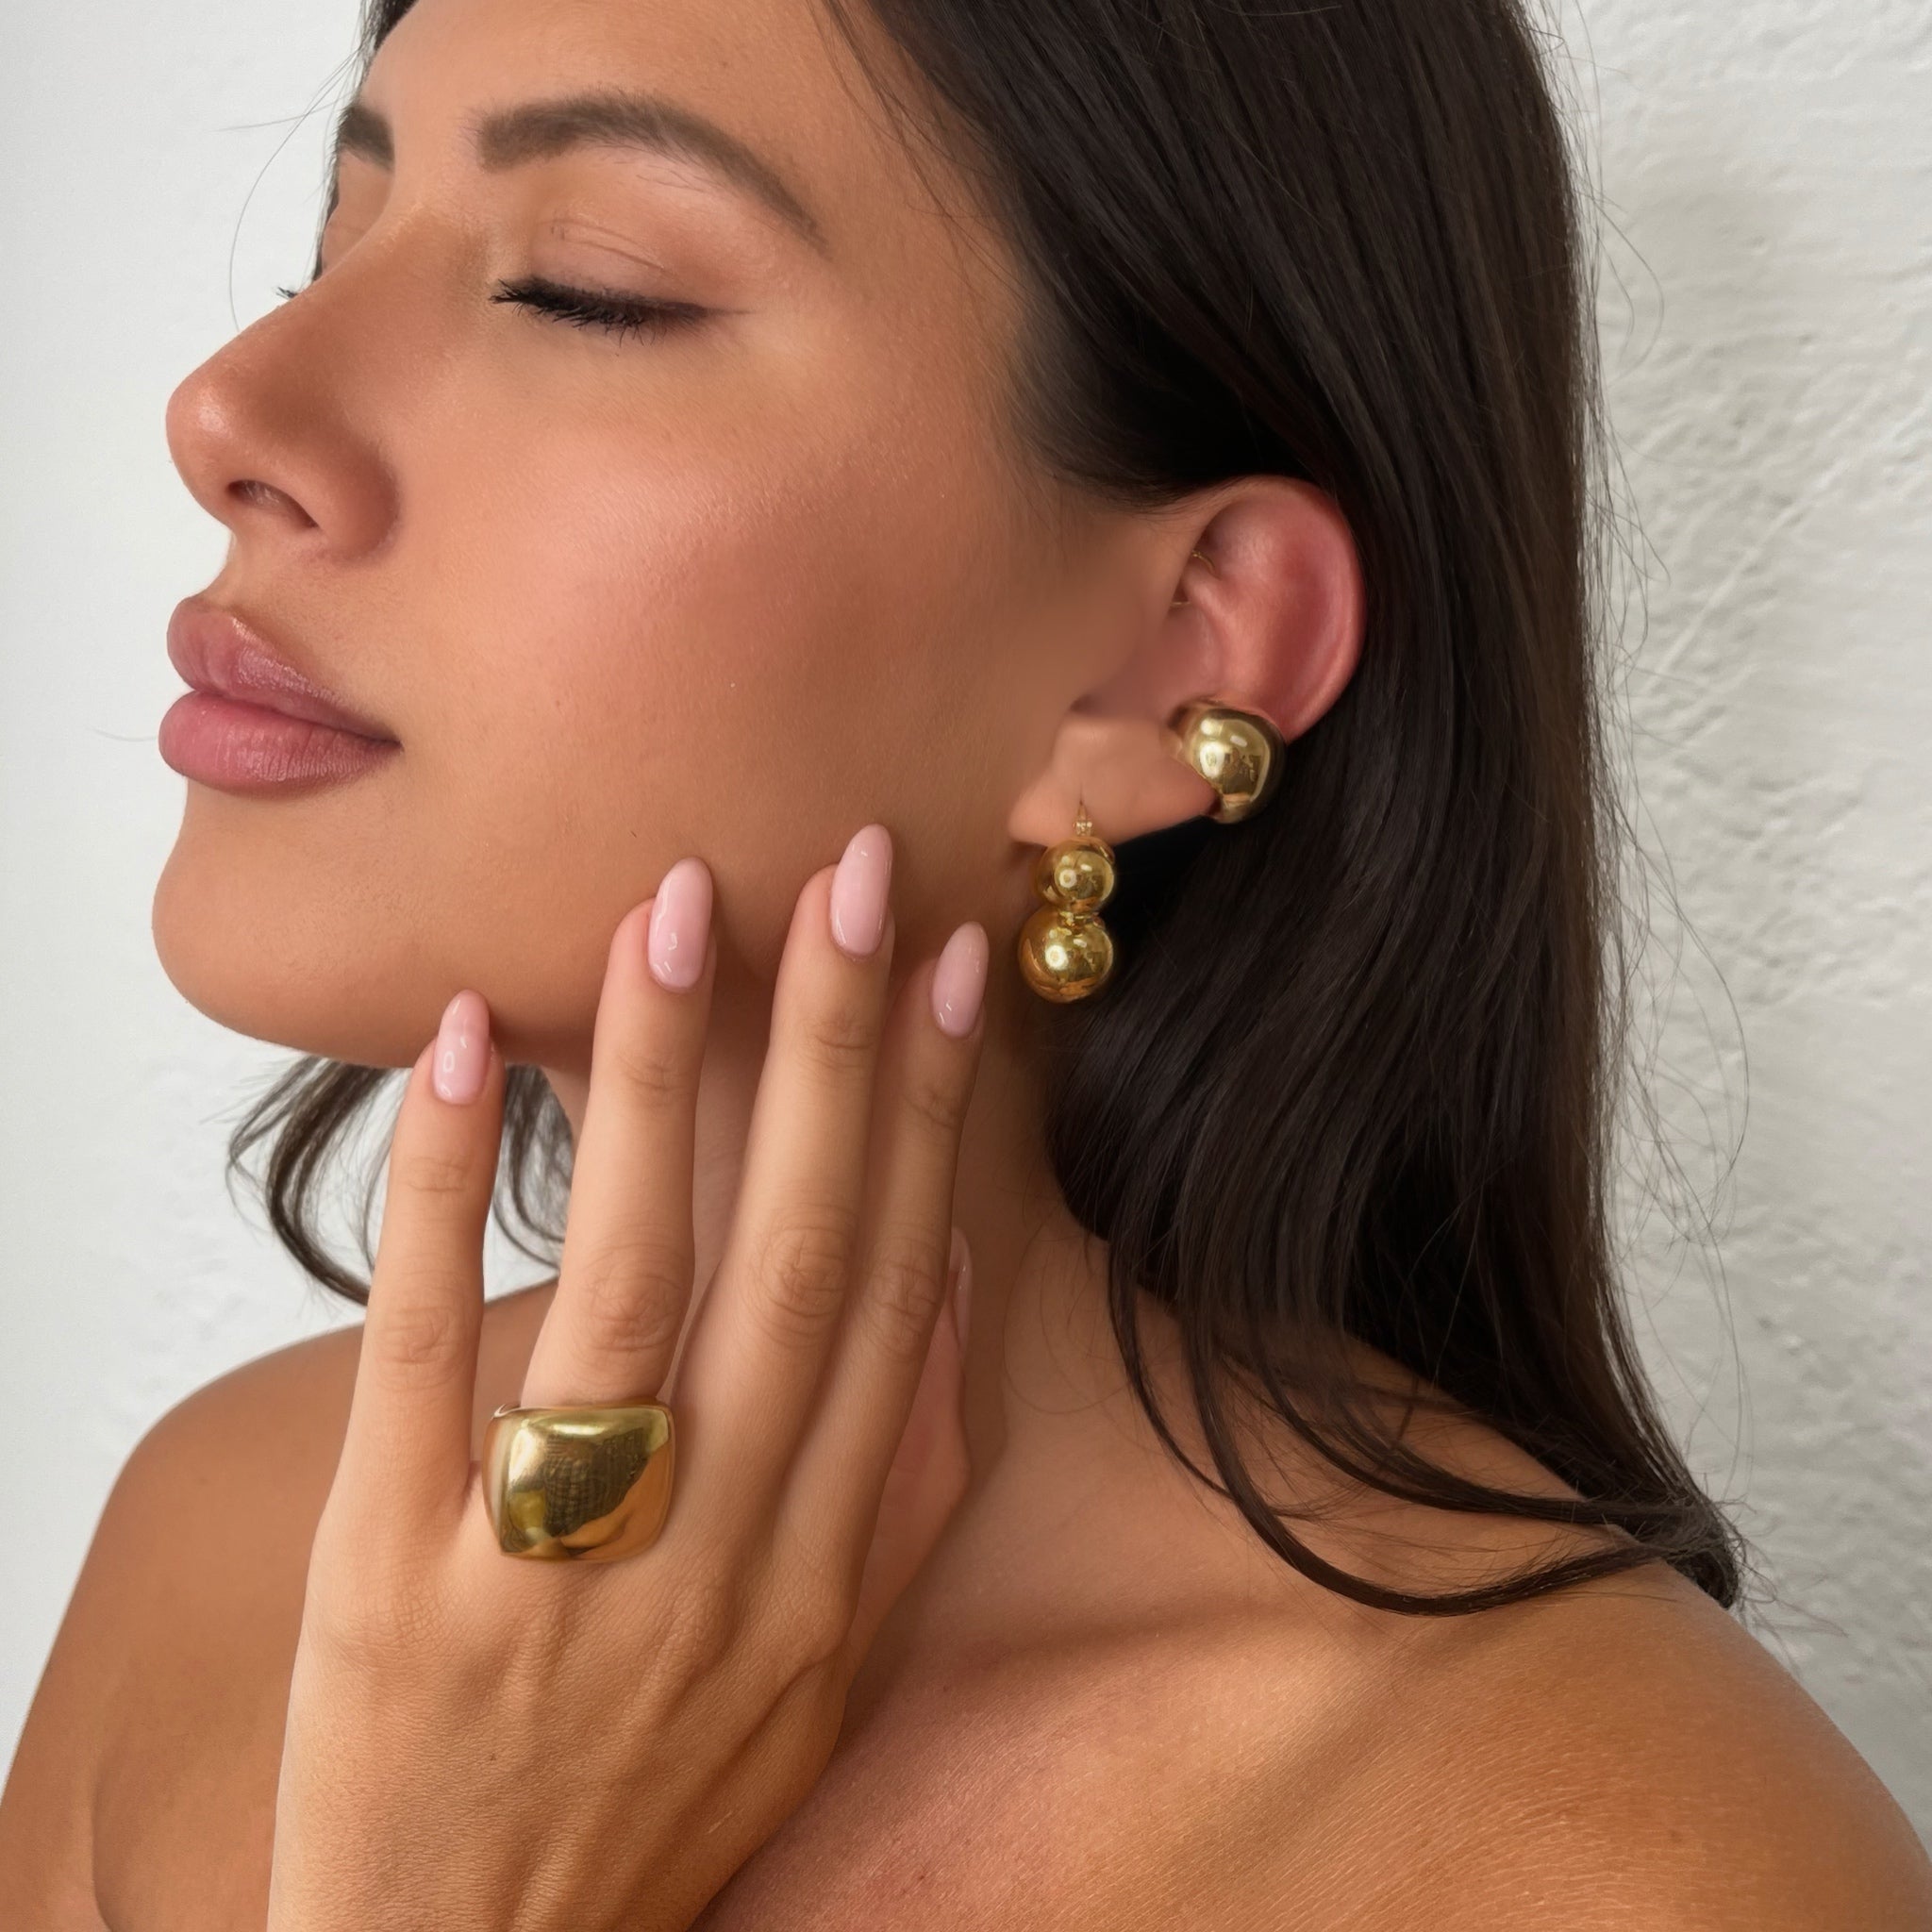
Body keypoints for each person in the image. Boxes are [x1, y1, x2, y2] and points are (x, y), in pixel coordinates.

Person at [4, 0, 1929, 1922]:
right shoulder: (216, 1544)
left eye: (587, 288)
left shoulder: (1624, 1869)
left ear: (1174, 657)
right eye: (332, 251)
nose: (226, 409)